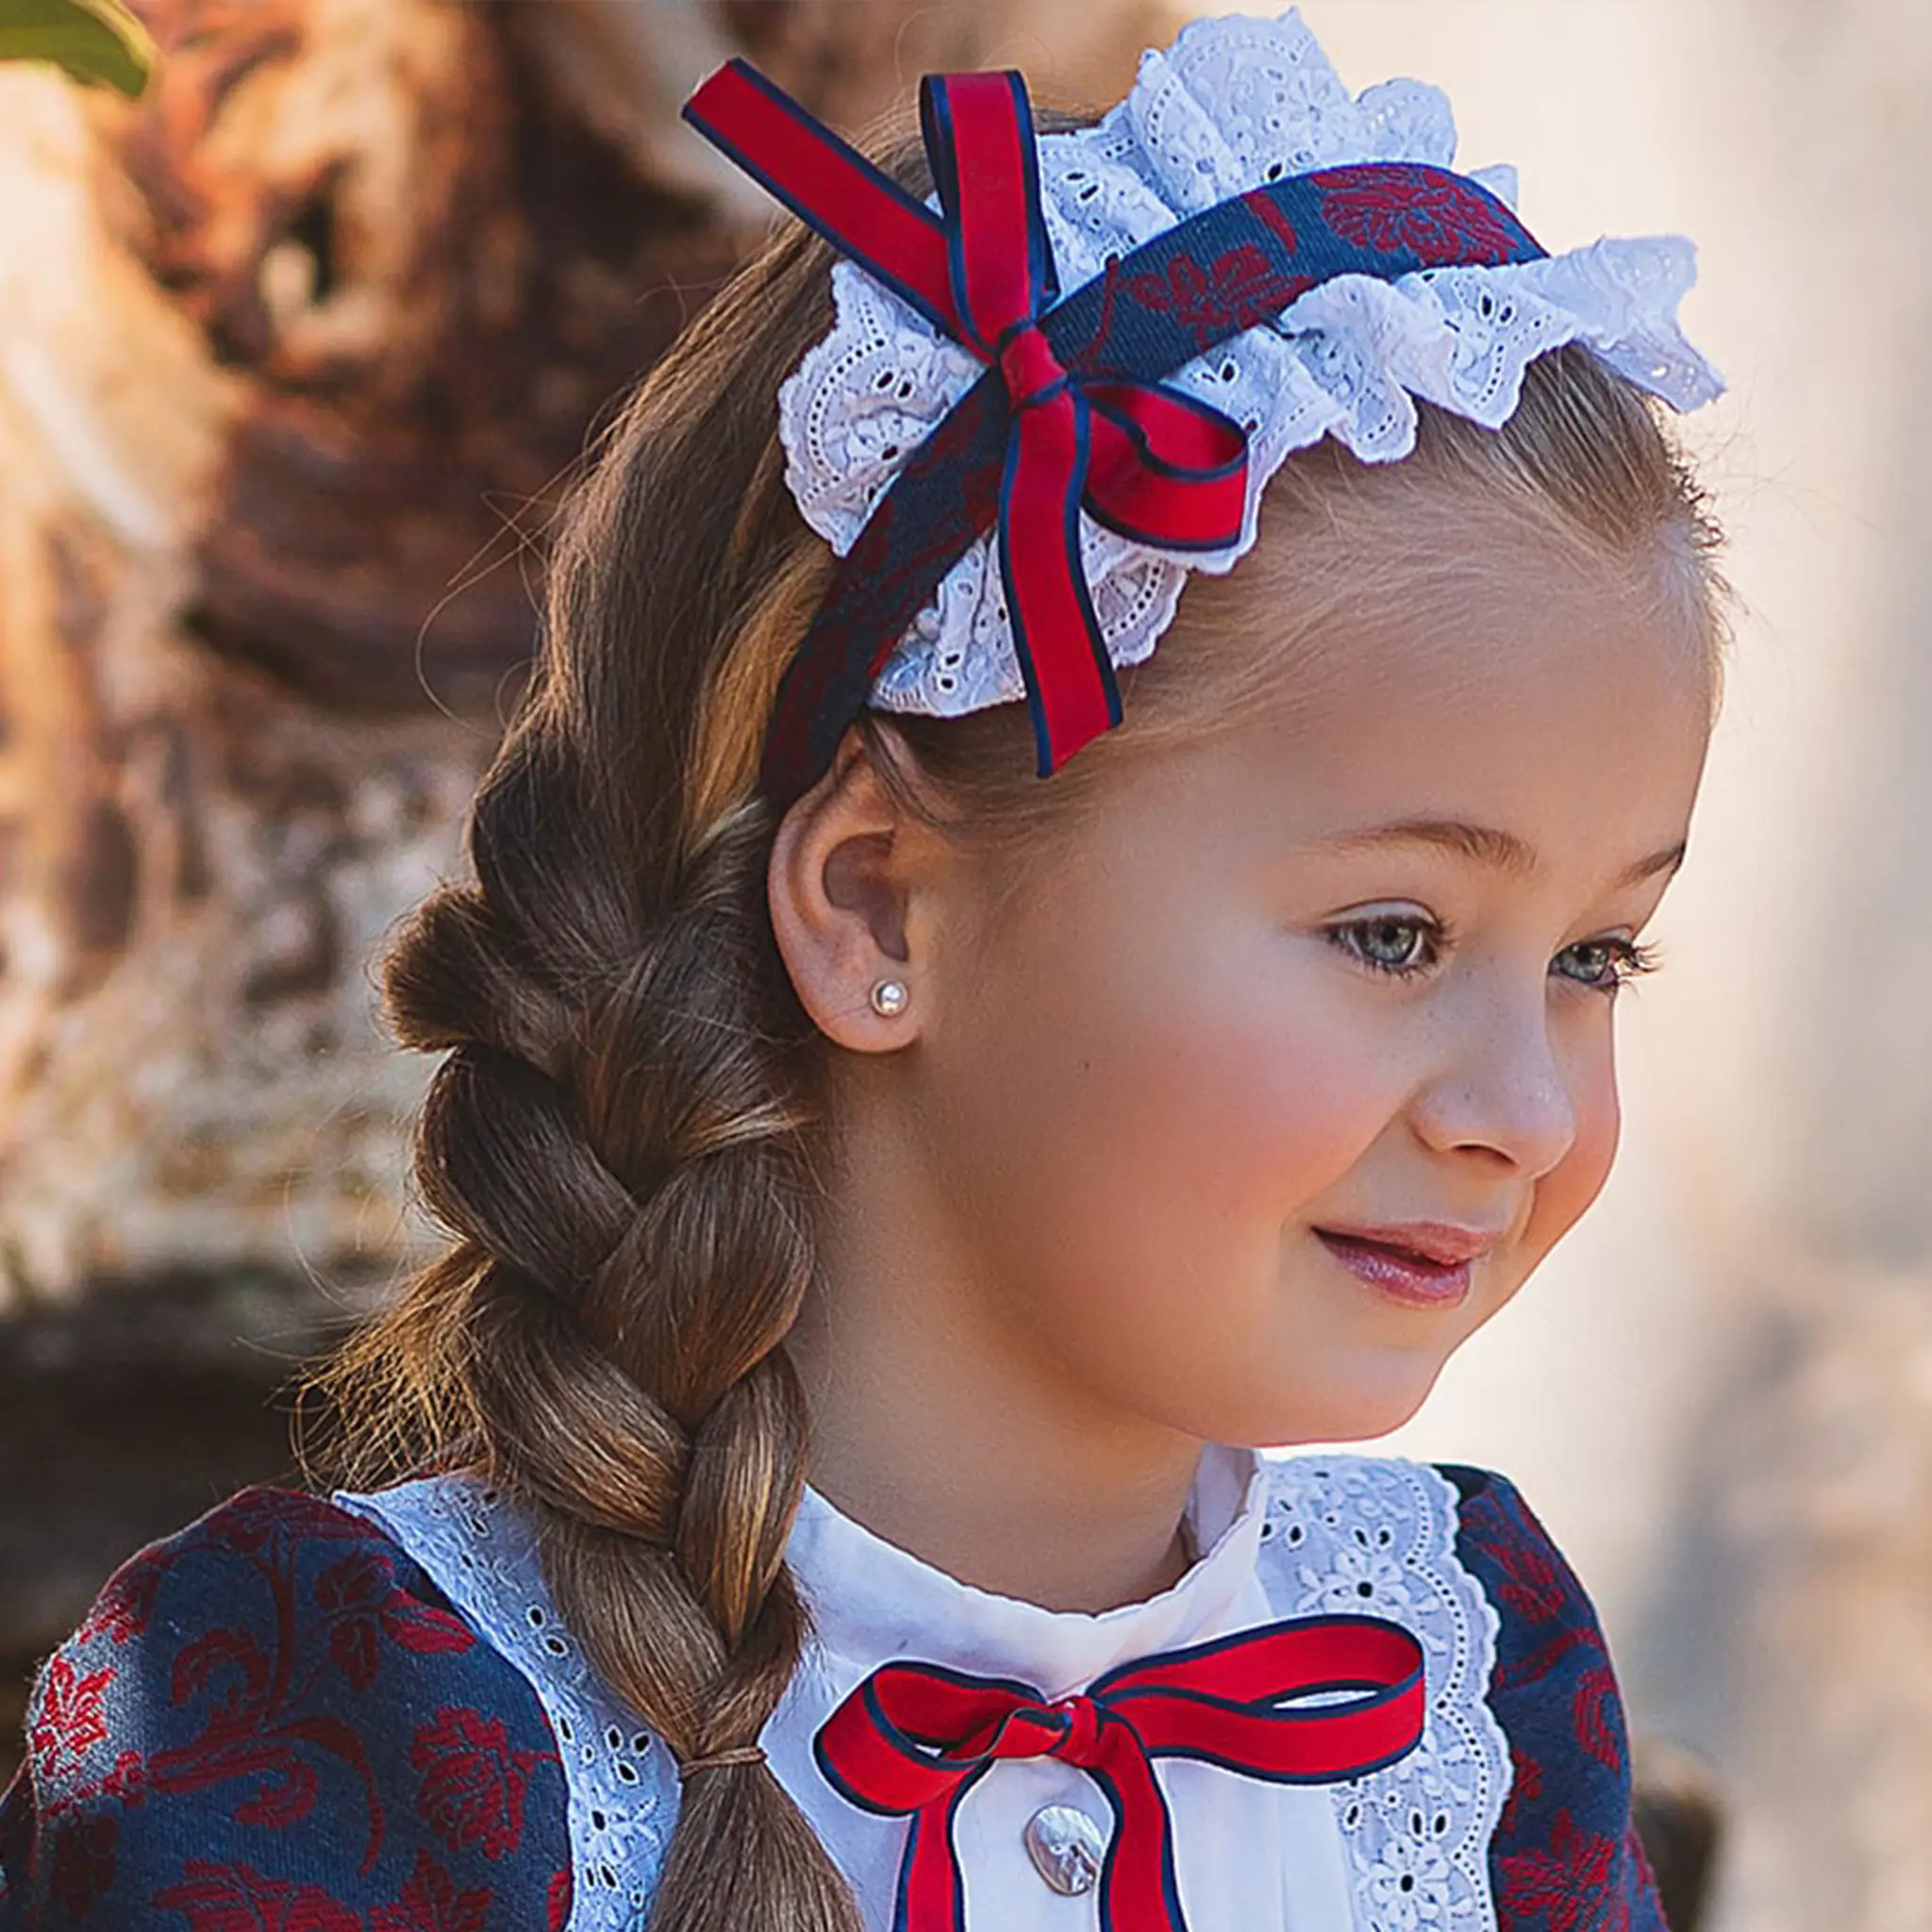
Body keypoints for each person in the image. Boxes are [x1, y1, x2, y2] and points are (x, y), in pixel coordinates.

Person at [0, 9, 1729, 1929]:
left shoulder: (1461, 1690)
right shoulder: (363, 1734)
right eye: (1391, 933)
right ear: (879, 906)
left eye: (1593, 951)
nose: (1528, 1109)